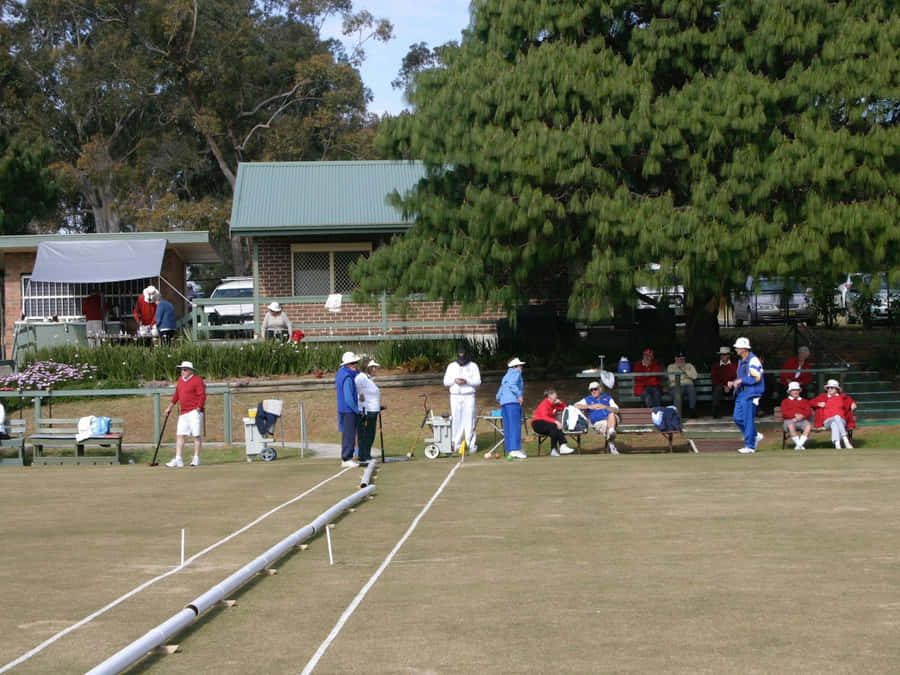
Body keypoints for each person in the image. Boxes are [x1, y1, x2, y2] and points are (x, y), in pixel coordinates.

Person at [164, 361, 206, 467]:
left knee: (196, 435)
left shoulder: (197, 380)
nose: (183, 371)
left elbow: (202, 395)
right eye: (182, 369)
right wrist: (169, 407)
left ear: (191, 370)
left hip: (194, 412)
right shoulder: (180, 380)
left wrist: (198, 408)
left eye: (185, 369)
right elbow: (176, 395)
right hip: (183, 412)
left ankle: (196, 458)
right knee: (180, 435)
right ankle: (178, 459)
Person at [727, 337, 765, 454]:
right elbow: (743, 378)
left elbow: (756, 378)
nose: (736, 349)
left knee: (747, 420)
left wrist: (740, 381)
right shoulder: (742, 361)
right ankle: (755, 435)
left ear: (744, 349)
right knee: (737, 418)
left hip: (751, 393)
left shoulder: (753, 360)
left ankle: (750, 446)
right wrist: (734, 382)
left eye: (738, 347)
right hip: (742, 393)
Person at [443, 346, 481, 454]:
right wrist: (454, 380)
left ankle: (470, 444)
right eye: (460, 359)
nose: (462, 361)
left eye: (463, 359)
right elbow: (445, 382)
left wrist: (467, 381)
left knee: (470, 420)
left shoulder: (473, 366)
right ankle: (456, 443)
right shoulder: (451, 366)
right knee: (456, 420)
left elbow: (478, 381)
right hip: (455, 396)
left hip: (469, 396)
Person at [574, 380, 619, 454]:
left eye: (595, 389)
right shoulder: (587, 399)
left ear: (600, 389)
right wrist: (589, 406)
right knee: (608, 425)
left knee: (611, 415)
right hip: (599, 422)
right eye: (591, 390)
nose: (593, 391)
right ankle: (612, 443)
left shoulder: (607, 398)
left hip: (612, 418)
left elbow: (616, 410)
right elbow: (575, 405)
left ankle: (611, 434)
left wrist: (605, 407)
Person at [810, 379, 857, 449]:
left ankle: (837, 444)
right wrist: (818, 404)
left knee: (835, 423)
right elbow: (810, 403)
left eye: (832, 388)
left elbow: (852, 402)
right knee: (836, 417)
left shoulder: (843, 397)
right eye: (828, 388)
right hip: (827, 421)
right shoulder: (823, 397)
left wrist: (853, 404)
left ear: (836, 389)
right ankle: (845, 440)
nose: (829, 389)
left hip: (842, 421)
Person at [495, 357, 526, 459]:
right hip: (513, 402)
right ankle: (515, 449)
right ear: (515, 367)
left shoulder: (506, 375)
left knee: (508, 427)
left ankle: (513, 449)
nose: (521, 367)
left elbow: (501, 390)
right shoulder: (516, 373)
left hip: (504, 403)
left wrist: (500, 398)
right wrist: (519, 396)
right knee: (515, 426)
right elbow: (513, 385)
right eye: (520, 365)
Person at [530, 388, 574, 457]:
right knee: (554, 426)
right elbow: (544, 417)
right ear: (550, 396)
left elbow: (565, 408)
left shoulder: (553, 404)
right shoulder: (544, 404)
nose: (556, 395)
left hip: (548, 425)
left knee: (554, 428)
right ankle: (561, 446)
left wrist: (560, 403)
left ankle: (558, 448)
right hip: (537, 423)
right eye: (555, 394)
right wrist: (556, 421)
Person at [335, 351, 361, 468]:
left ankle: (348, 457)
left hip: (345, 409)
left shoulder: (343, 373)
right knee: (349, 434)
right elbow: (348, 398)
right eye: (352, 363)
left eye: (355, 362)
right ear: (346, 364)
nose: (354, 365)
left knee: (348, 434)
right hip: (348, 410)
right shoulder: (347, 376)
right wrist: (357, 410)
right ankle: (346, 458)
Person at [355, 357, 381, 465]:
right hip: (366, 411)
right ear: (367, 368)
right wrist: (361, 402)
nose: (375, 369)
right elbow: (357, 391)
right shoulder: (361, 377)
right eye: (373, 367)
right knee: (366, 434)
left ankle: (366, 455)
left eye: (375, 367)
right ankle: (364, 456)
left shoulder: (368, 378)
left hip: (373, 410)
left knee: (371, 433)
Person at [781, 381, 813, 450]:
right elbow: (784, 413)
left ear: (799, 391)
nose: (795, 392)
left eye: (797, 390)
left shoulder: (804, 401)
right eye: (793, 390)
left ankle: (799, 445)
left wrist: (802, 416)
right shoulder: (785, 401)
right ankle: (799, 445)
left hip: (802, 420)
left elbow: (808, 412)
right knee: (790, 425)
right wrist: (794, 415)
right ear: (789, 392)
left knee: (808, 426)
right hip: (789, 420)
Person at [667, 351, 698, 418]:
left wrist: (684, 370)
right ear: (675, 358)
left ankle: (692, 411)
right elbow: (672, 378)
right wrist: (686, 376)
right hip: (676, 386)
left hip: (688, 385)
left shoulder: (689, 365)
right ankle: (677, 413)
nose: (681, 360)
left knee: (692, 389)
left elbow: (695, 376)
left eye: (682, 358)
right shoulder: (671, 367)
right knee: (677, 393)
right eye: (679, 358)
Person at [710, 346, 738, 419]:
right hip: (720, 386)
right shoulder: (715, 366)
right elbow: (714, 379)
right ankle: (715, 412)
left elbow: (738, 377)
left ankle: (740, 411)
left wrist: (730, 385)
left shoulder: (735, 365)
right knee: (717, 389)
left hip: (732, 385)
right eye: (721, 354)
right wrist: (724, 386)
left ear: (729, 355)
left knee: (740, 388)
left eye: (725, 354)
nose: (723, 356)